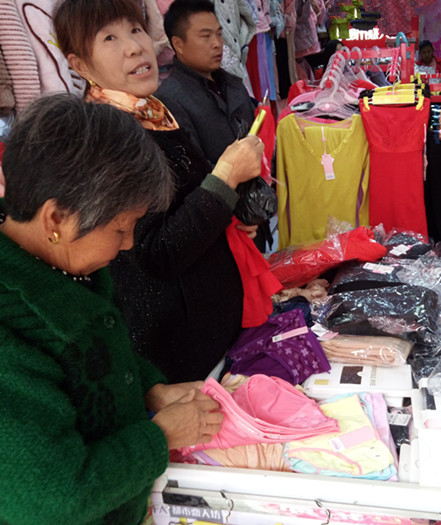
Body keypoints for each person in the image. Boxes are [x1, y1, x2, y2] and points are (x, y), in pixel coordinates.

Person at [0, 93, 224, 524]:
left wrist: (150, 388)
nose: (128, 244)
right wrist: (161, 436)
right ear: (56, 220)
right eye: (120, 229)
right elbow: (52, 498)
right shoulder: (12, 328)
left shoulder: (69, 265)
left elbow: (99, 353)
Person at [54, 0, 266, 383]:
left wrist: (226, 214)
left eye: (135, 30)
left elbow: (183, 204)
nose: (134, 47)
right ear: (80, 64)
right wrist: (225, 178)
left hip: (209, 333)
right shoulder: (106, 138)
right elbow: (156, 252)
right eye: (109, 38)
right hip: (176, 353)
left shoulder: (151, 112)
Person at [156, 0, 256, 168]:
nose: (217, 43)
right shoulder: (169, 100)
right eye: (205, 36)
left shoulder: (232, 83)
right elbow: (194, 169)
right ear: (178, 44)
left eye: (219, 34)